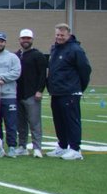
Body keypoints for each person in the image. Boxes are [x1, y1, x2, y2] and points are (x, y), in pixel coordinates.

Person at [48, 23, 92, 161]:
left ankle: (75, 149)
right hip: (56, 92)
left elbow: (85, 70)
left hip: (70, 92)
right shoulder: (55, 48)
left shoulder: (75, 49)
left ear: (68, 35)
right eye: (57, 35)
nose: (59, 37)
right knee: (59, 121)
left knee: (71, 121)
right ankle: (62, 146)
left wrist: (78, 87)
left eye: (62, 35)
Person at [16, 29, 49, 158]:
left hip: (32, 94)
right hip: (18, 94)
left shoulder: (38, 55)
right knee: (21, 123)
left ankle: (37, 148)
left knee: (34, 123)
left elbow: (43, 75)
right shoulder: (16, 55)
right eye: (23, 38)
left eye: (28, 38)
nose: (25, 41)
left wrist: (40, 90)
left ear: (32, 40)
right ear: (19, 40)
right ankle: (22, 146)